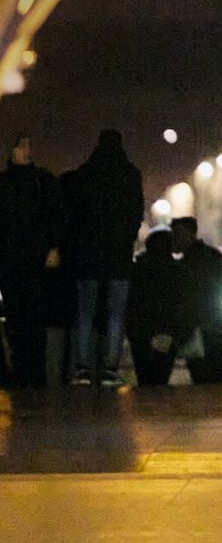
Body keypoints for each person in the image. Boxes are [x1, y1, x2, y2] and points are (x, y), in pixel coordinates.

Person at [62, 129, 144, 387]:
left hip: (89, 256)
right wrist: (126, 238)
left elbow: (76, 214)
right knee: (115, 314)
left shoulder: (85, 174)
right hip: (118, 256)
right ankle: (110, 368)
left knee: (85, 312)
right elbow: (136, 212)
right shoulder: (130, 175)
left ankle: (83, 368)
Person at [0, 135, 64, 388]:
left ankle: (32, 370)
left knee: (34, 315)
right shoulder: (10, 183)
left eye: (28, 145)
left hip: (33, 258)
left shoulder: (42, 181)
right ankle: (23, 368)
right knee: (16, 316)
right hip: (11, 259)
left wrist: (54, 247)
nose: (26, 151)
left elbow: (56, 216)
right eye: (21, 146)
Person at [171, 216, 222, 383]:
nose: (173, 240)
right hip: (220, 328)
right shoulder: (214, 256)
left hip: (201, 331)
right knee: (220, 383)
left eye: (177, 234)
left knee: (203, 382)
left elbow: (188, 299)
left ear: (190, 234)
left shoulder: (186, 264)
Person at [126, 228, 181, 387]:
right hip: (165, 330)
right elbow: (178, 302)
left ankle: (144, 405)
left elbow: (132, 301)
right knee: (161, 374)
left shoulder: (138, 268)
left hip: (140, 330)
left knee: (143, 373)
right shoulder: (175, 270)